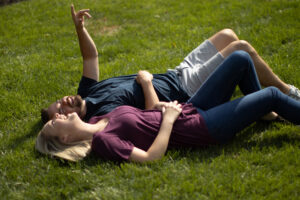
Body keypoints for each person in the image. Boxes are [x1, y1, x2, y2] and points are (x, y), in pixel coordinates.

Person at [40, 5, 300, 123]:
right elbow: (153, 112)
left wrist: (79, 30)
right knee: (240, 48)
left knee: (228, 34)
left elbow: (90, 57)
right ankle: (287, 92)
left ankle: (263, 109)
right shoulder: (102, 115)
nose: (63, 101)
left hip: (177, 73)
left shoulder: (86, 93)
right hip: (188, 91)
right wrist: (146, 82)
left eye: (58, 100)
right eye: (61, 110)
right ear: (66, 121)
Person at [35, 51, 300, 163]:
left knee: (240, 58)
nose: (57, 115)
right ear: (66, 138)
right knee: (271, 95)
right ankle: (267, 108)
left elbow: (143, 117)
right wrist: (169, 120)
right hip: (201, 128)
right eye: (54, 122)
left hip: (189, 108)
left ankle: (263, 116)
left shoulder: (99, 117)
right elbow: (151, 158)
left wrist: (162, 107)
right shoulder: (103, 141)